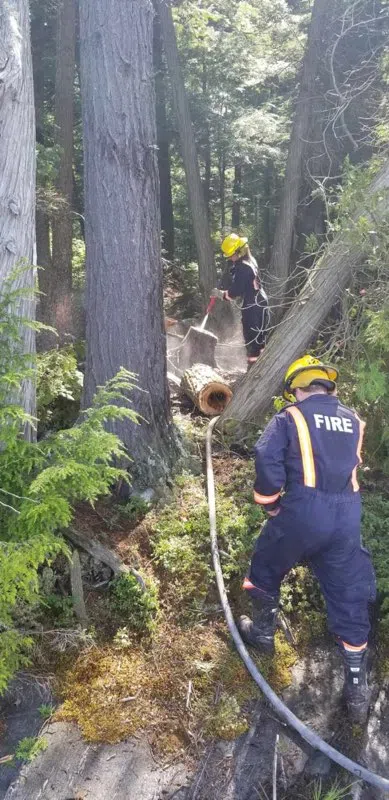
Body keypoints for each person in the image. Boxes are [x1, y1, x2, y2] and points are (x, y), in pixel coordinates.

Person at [238, 355, 376, 724]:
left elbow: (267, 457)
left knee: (266, 565)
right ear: (327, 386)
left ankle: (263, 634)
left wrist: (269, 504)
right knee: (349, 592)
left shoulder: (289, 417)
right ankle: (357, 686)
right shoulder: (354, 421)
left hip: (302, 511)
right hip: (347, 514)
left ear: (298, 388)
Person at [219, 233, 270, 369]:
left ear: (239, 251)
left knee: (252, 339)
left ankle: (253, 369)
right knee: (260, 338)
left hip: (252, 306)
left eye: (231, 254)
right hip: (260, 301)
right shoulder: (250, 261)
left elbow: (236, 291)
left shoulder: (243, 267)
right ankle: (261, 366)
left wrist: (222, 294)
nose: (230, 258)